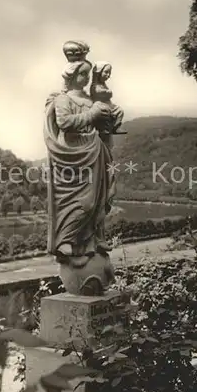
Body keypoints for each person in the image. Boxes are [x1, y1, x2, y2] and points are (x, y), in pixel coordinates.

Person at [44, 58, 115, 268]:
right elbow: (64, 123)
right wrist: (92, 114)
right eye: (82, 74)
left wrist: (111, 116)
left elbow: (101, 123)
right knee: (82, 201)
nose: (86, 78)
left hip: (93, 151)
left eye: (87, 74)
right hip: (72, 154)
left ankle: (89, 243)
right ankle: (65, 240)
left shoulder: (89, 98)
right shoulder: (63, 100)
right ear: (72, 76)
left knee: (98, 199)